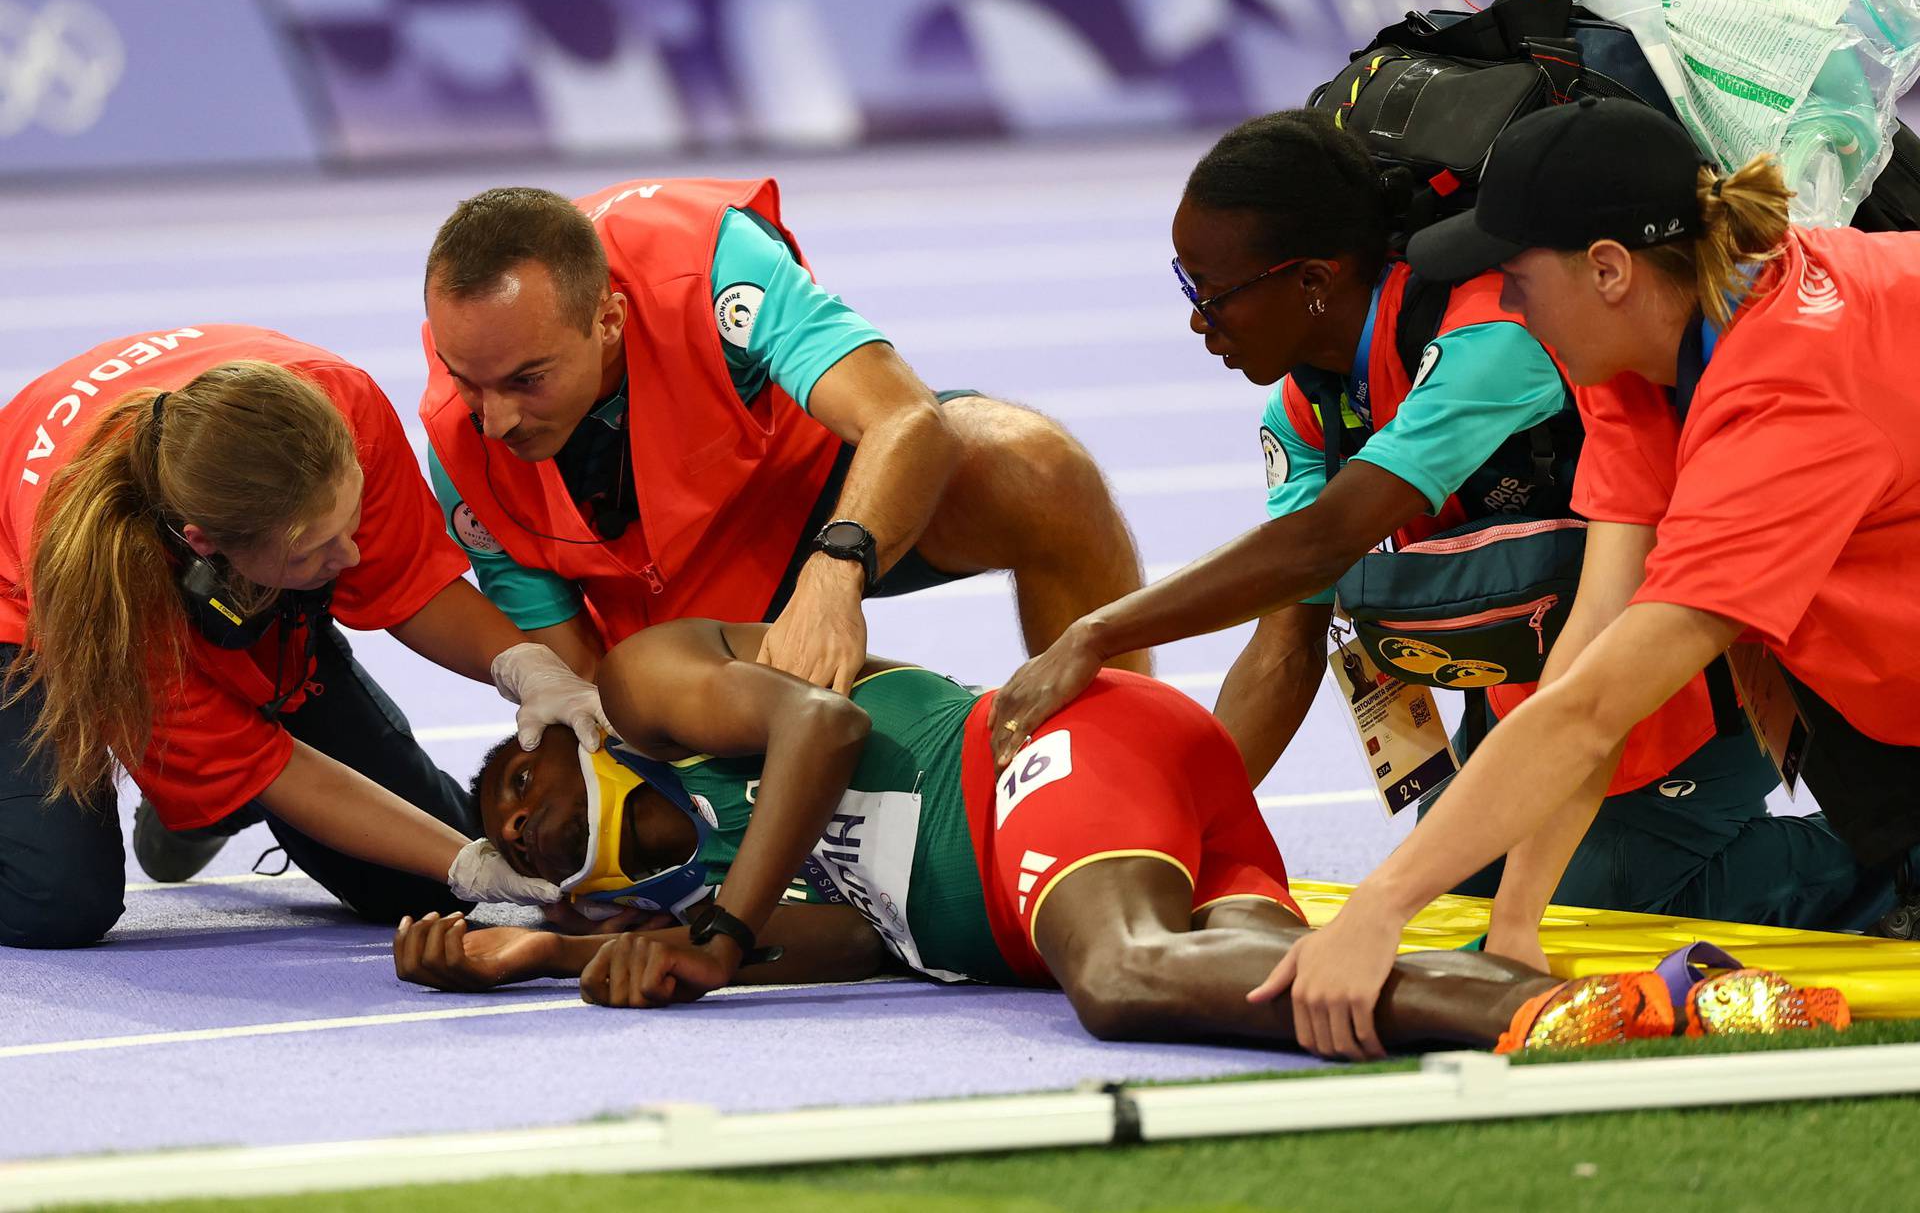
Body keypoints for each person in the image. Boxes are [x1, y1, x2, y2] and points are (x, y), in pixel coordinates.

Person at [984, 109, 1878, 937]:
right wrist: (1174, 831)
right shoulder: (1308, 415)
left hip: (1698, 663)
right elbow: (1286, 636)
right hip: (1545, 677)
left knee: (1603, 904)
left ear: (1312, 281)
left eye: (1211, 290)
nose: (1195, 317)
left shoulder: (1495, 339)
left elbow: (1324, 541)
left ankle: (1889, 867)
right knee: (1460, 898)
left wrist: (1099, 632)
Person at [388, 618, 1846, 1057]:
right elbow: (882, 935)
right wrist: (547, 949)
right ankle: (1692, 998)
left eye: (513, 808)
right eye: (532, 860)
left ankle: (1566, 1009)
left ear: (531, 763)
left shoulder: (652, 689)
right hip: (1094, 834)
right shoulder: (706, 882)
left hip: (1043, 760)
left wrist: (703, 935)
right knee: (1261, 971)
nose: (532, 832)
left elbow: (826, 733)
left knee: (1129, 980)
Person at [1257, 96, 1920, 1058]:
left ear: (1608, 268)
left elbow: (1597, 706)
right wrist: (1517, 922)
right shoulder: (1637, 357)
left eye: (1515, 281)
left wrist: (1381, 905)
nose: (1504, 309)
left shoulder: (1786, 398)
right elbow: (1585, 658)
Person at [0, 325, 604, 949]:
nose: (350, 557)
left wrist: (529, 667)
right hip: (19, 607)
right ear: (205, 543)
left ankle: (206, 783)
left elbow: (408, 580)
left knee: (419, 891)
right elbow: (277, 769)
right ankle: (200, 771)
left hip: (230, 561)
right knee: (55, 898)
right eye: (317, 548)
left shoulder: (337, 407)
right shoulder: (99, 579)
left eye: (350, 522)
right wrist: (464, 860)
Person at [417, 181, 1145, 692]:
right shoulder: (461, 443)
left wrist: (836, 573)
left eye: (526, 380)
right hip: (670, 627)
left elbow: (903, 417)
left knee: (1035, 469)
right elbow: (577, 676)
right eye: (468, 380)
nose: (496, 418)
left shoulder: (710, 265)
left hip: (810, 500)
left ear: (608, 319)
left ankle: (1137, 767)